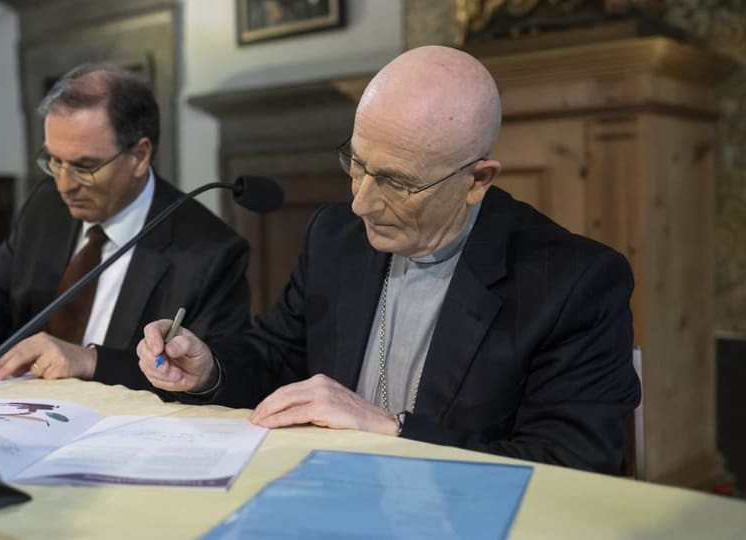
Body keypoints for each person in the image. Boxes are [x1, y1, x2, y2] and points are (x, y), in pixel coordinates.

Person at [136, 46, 641, 474]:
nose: (361, 203)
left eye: (398, 182)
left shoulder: (573, 283)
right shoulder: (335, 236)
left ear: (478, 180)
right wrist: (210, 370)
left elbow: (569, 466)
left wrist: (392, 430)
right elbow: (278, 355)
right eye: (357, 164)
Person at [0, 62, 251, 391]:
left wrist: (91, 362)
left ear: (140, 156)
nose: (64, 185)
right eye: (55, 161)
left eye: (84, 167)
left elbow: (216, 377)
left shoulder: (210, 251)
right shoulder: (46, 207)